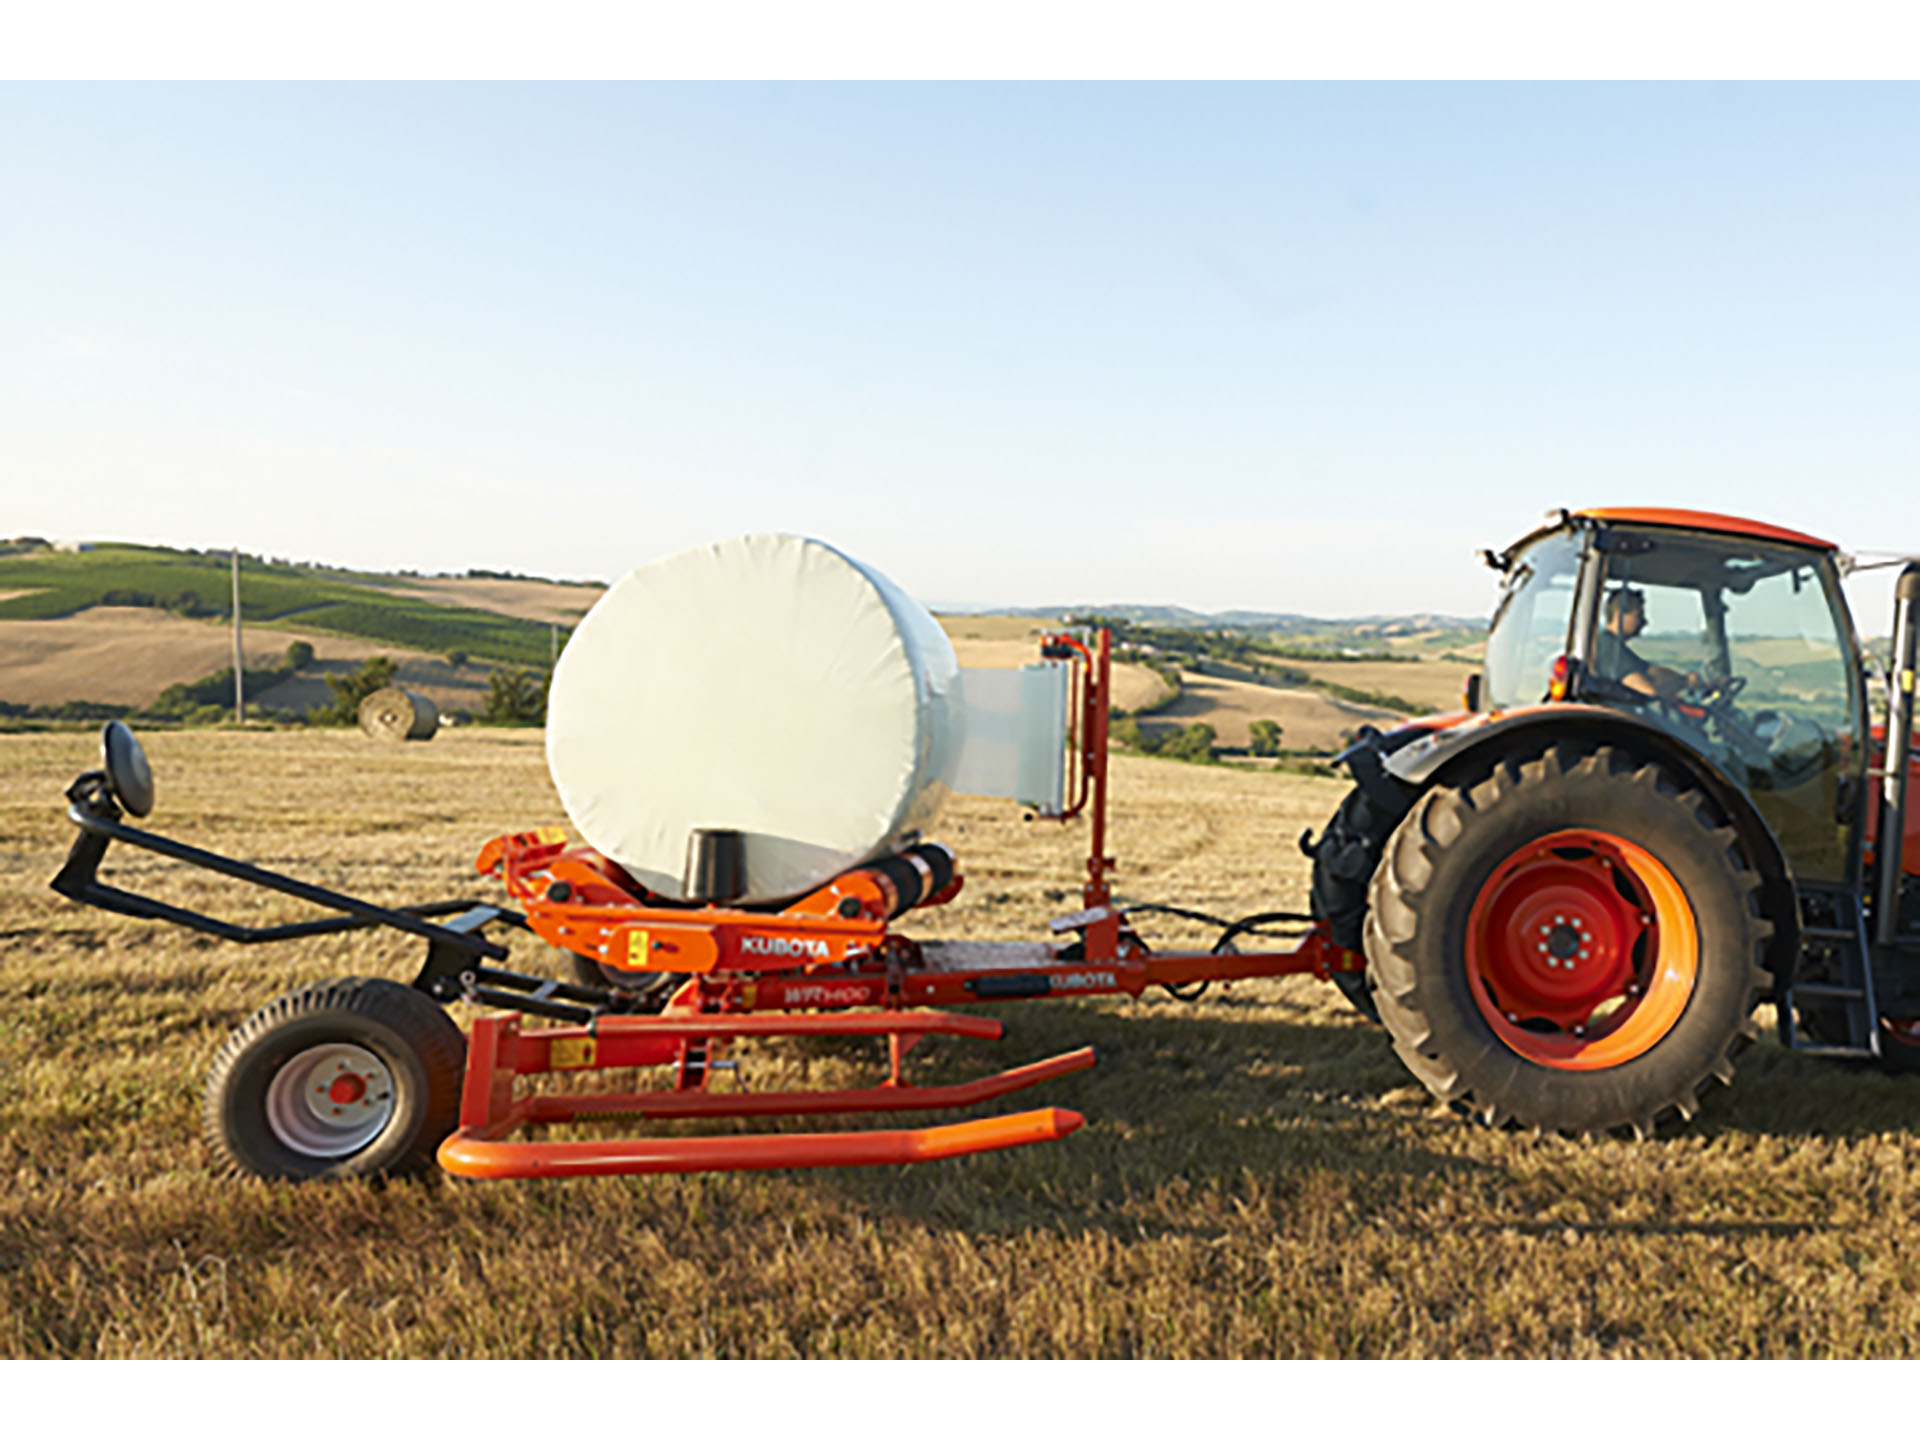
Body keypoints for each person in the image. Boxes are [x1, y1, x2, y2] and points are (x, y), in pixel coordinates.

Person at [1593, 588, 1699, 700]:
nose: (1645, 622)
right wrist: (1683, 684)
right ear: (1619, 616)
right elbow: (1648, 692)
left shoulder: (1612, 646)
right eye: (1638, 615)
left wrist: (1685, 681)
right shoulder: (1609, 649)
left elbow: (1653, 671)